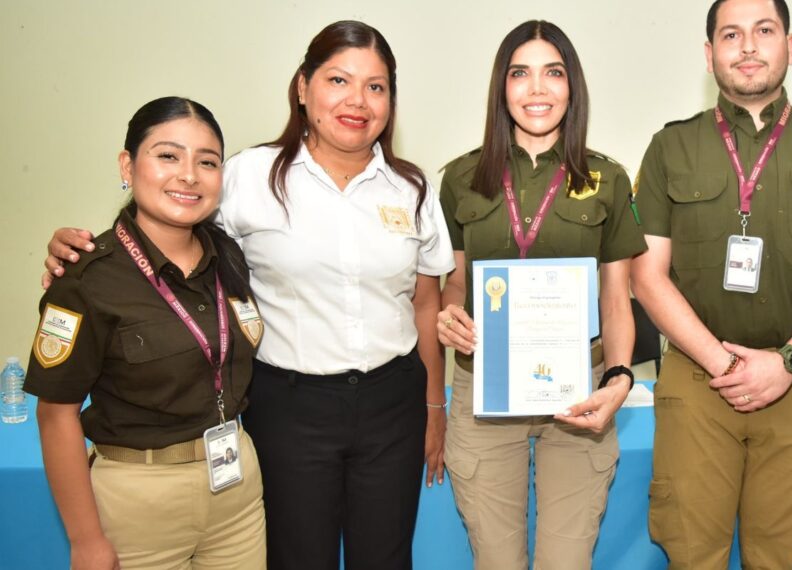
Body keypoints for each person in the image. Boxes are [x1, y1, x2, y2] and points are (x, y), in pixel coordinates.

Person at [44, 21, 453, 570]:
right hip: (288, 406)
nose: (357, 100)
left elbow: (425, 304)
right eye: (338, 80)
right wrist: (76, 252)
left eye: (376, 87)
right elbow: (169, 231)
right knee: (295, 557)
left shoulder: (414, 188)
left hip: (392, 403)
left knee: (386, 557)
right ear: (303, 87)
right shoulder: (246, 176)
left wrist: (433, 407)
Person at [629, 0, 792, 567]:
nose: (747, 46)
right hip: (698, 379)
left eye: (764, 31)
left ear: (790, 46)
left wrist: (786, 362)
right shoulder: (671, 147)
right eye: (730, 34)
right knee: (692, 552)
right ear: (709, 52)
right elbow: (647, 276)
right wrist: (723, 364)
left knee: (778, 555)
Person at [434, 20, 647, 570]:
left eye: (553, 73)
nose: (537, 89)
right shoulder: (460, 178)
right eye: (520, 73)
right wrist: (449, 316)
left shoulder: (607, 178)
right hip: (485, 388)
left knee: (566, 563)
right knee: (496, 561)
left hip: (578, 395)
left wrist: (620, 378)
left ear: (571, 86)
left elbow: (617, 298)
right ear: (501, 88)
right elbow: (456, 282)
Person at [26, 96, 266, 570]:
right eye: (168, 155)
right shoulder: (88, 276)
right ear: (127, 164)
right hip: (138, 502)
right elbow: (56, 418)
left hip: (236, 492)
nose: (189, 175)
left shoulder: (231, 258)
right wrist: (86, 539)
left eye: (208, 161)